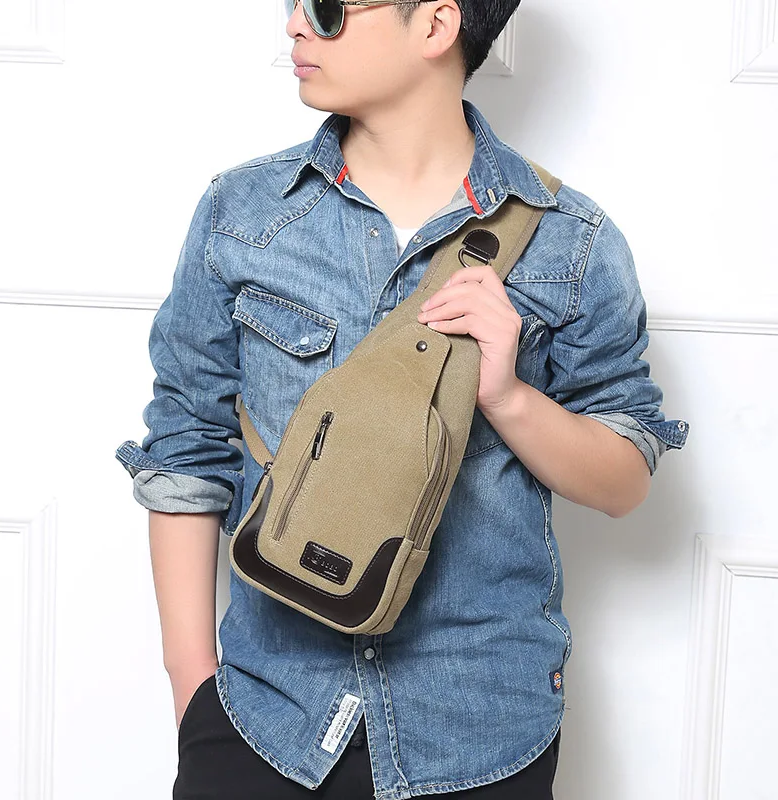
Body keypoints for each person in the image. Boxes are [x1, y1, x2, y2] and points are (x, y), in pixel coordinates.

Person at [115, 1, 691, 798]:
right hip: (264, 717)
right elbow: (187, 452)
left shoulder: (571, 240)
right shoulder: (244, 214)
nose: (296, 25)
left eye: (328, 8)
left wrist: (508, 396)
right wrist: (192, 685)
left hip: (480, 734)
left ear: (436, 25)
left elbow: (625, 481)